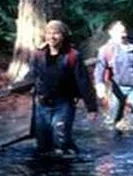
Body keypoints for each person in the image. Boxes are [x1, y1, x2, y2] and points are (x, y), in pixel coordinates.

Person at [23, 20, 99, 156]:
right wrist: (18, 86)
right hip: (42, 103)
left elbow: (83, 82)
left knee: (61, 139)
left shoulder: (73, 55)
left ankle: (66, 166)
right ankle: (44, 172)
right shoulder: (38, 54)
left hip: (64, 103)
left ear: (63, 36)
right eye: (49, 33)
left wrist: (91, 107)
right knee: (43, 143)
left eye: (56, 33)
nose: (52, 37)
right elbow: (32, 75)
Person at [94, 21, 133, 129]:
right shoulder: (106, 50)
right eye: (119, 32)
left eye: (124, 31)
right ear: (111, 33)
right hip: (119, 86)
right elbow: (100, 68)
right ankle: (115, 141)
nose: (122, 34)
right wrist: (99, 85)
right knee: (114, 116)